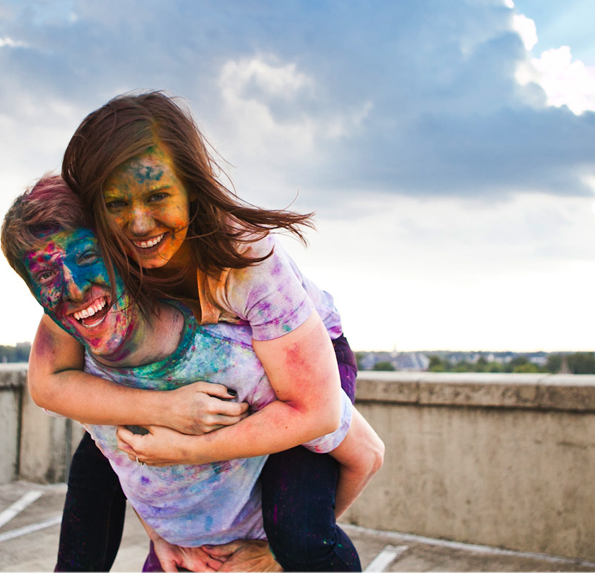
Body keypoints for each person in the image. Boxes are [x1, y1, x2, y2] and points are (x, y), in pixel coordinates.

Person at [30, 90, 373, 571]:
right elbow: (50, 379)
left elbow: (315, 412)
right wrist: (163, 421)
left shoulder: (247, 261)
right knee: (95, 473)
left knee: (296, 523)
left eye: (157, 196)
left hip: (299, 360)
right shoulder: (94, 259)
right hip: (188, 369)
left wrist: (186, 449)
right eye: (115, 204)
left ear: (192, 186)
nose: (139, 223)